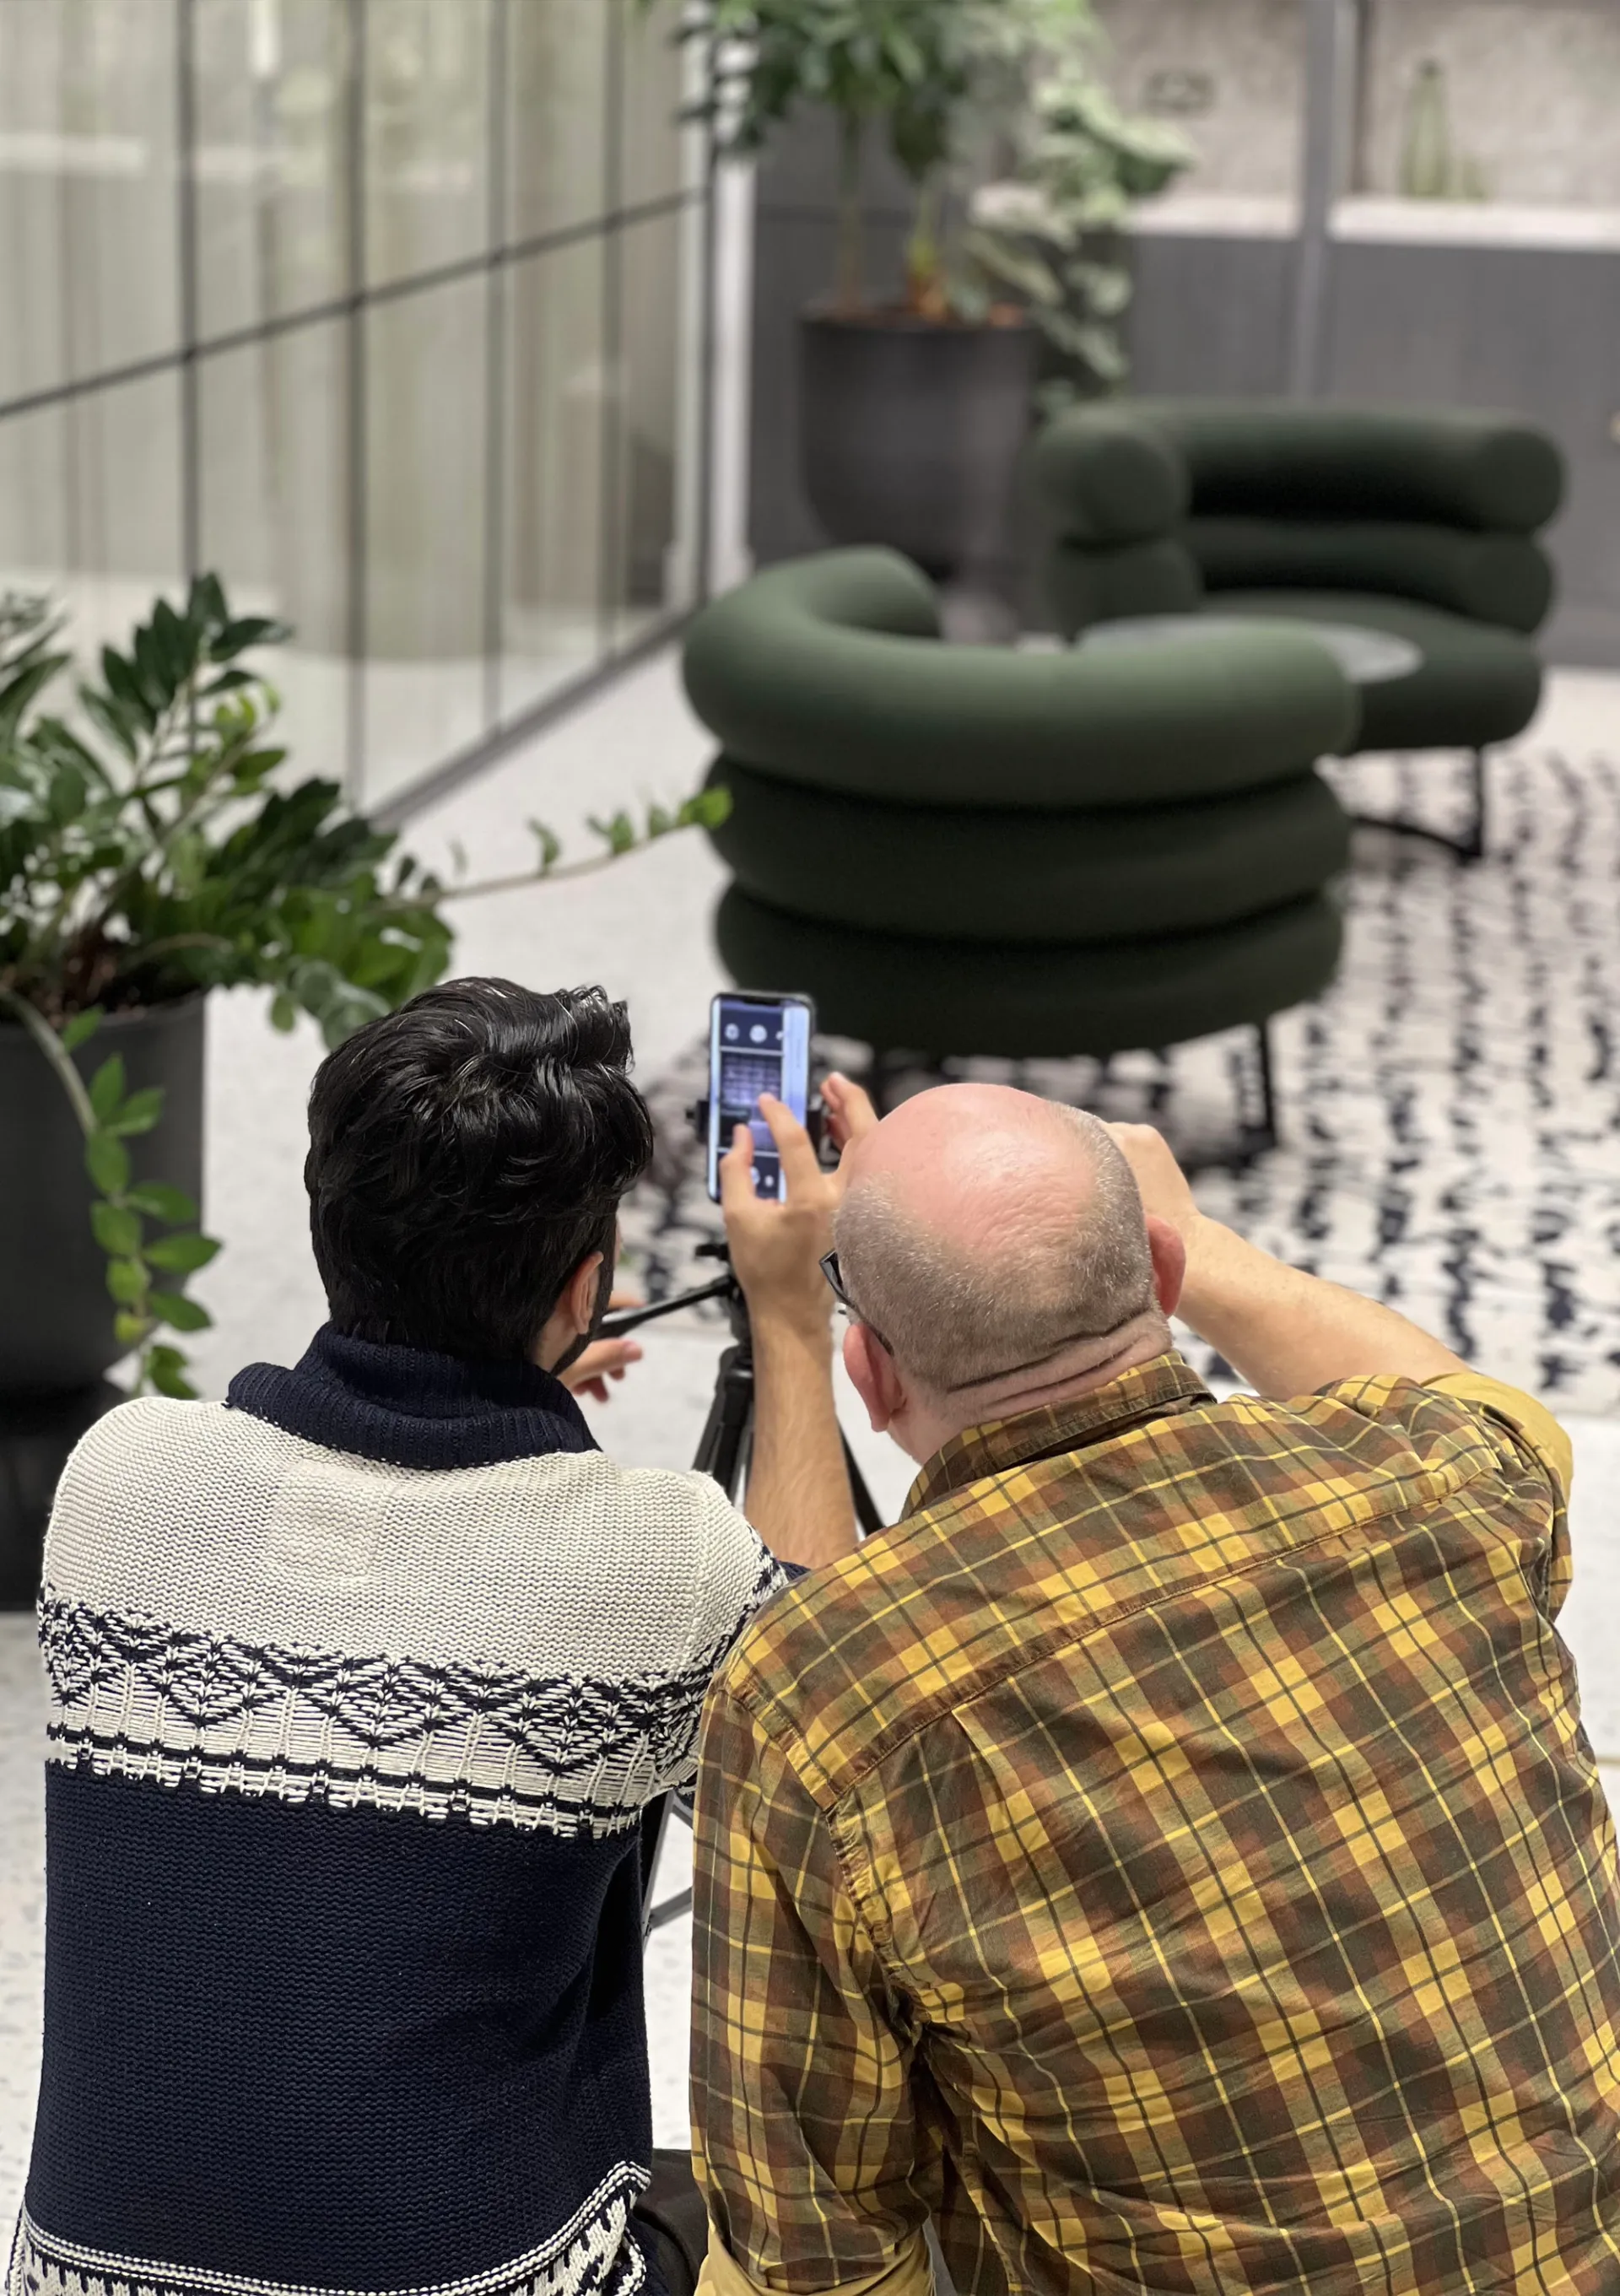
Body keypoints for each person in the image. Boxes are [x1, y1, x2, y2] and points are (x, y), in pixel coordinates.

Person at [10, 979, 868, 2296]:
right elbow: (848, 1718)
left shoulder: (116, 1480)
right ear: (587, 1287)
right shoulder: (656, 1564)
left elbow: (360, 1555)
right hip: (496, 2279)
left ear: (325, 1230)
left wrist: (498, 1373)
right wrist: (793, 1318)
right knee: (851, 2225)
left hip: (85, 2279)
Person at [692, 1081, 1620, 2295]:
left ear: (878, 1379)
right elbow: (1495, 1412)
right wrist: (1210, 1254)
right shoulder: (1439, 1478)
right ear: (1164, 1273)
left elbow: (809, 2249)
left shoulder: (817, 1691)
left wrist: (790, 1325)